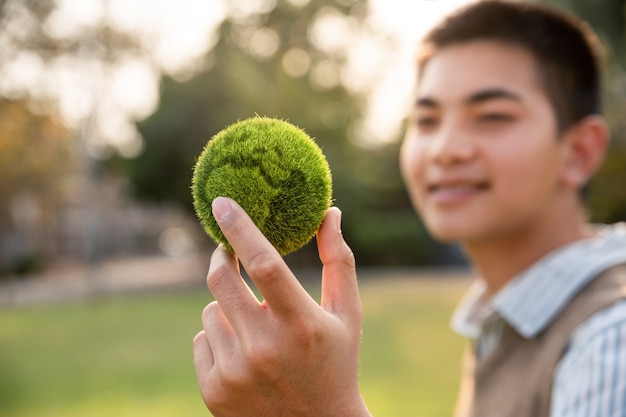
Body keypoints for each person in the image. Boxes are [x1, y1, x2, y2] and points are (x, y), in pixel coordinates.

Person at [192, 1, 626, 416]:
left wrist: (320, 409)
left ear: (579, 152)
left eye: (492, 115)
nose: (444, 150)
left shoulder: (610, 340)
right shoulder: (504, 317)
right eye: (427, 120)